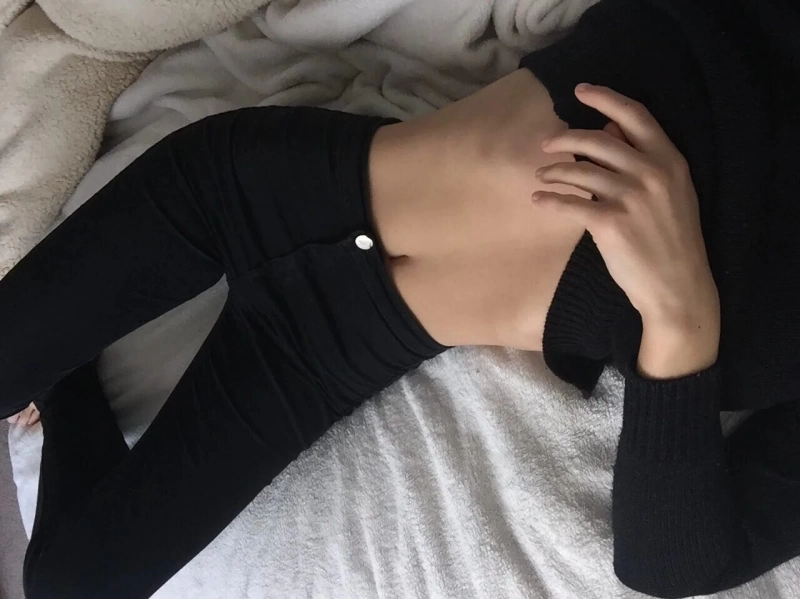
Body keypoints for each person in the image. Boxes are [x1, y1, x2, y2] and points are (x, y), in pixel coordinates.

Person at [2, 0, 799, 597]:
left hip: (335, 344)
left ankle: (64, 372)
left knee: (72, 585)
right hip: (261, 193)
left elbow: (674, 564)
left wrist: (679, 315)